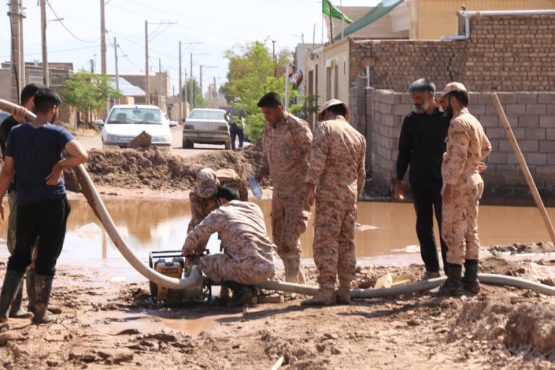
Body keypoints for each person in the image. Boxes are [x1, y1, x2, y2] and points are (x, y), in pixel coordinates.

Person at [0, 88, 89, 329]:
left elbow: (7, 171)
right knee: (46, 258)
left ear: (33, 106)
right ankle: (40, 312)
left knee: (20, 256)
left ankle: (2, 311)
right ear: (52, 110)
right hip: (52, 204)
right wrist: (60, 165)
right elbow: (82, 155)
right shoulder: (57, 132)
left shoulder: (16, 133)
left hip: (27, 204)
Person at [302, 99, 366, 306]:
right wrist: (356, 197)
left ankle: (326, 291)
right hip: (350, 197)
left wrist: (310, 187)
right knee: (347, 242)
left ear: (328, 113)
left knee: (325, 241)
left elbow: (317, 160)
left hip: (330, 196)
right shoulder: (358, 136)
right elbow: (361, 173)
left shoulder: (325, 128)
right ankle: (345, 290)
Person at [182, 187, 276, 307]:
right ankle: (251, 288)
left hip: (248, 269)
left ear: (222, 200)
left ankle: (241, 290)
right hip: (268, 267)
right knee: (239, 259)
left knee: (205, 262)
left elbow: (196, 235)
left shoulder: (221, 213)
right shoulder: (255, 208)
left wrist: (187, 252)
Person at [395, 79, 451, 279]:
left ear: (431, 95)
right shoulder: (411, 121)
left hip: (444, 183)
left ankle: (451, 270)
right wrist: (399, 179)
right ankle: (432, 269)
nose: (416, 103)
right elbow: (404, 152)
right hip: (419, 181)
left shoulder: (447, 120)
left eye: (419, 99)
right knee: (423, 226)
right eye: (414, 99)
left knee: (446, 226)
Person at [439, 82, 491, 296]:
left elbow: (458, 157)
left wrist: (449, 185)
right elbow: (486, 147)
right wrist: (474, 164)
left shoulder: (458, 123)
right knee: (471, 229)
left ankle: (454, 282)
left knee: (454, 230)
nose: (443, 107)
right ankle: (471, 279)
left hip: (460, 183)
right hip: (473, 180)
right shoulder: (474, 121)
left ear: (453, 101)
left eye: (445, 102)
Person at [255, 92, 312, 283]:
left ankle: (292, 283)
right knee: (279, 240)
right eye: (264, 113)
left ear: (279, 109)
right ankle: (299, 279)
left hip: (298, 192)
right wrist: (260, 174)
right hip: (279, 192)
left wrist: (313, 187)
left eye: (268, 113)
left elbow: (314, 155)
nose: (266, 117)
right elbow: (267, 155)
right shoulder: (269, 128)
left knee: (290, 238)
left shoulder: (296, 126)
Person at [0, 84, 41, 319]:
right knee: (19, 251)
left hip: (40, 197)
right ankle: (14, 307)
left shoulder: (40, 125)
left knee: (38, 252)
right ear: (31, 101)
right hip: (21, 195)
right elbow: (13, 166)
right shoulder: (10, 127)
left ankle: (37, 303)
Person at [187, 167, 249, 235]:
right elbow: (197, 220)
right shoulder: (195, 196)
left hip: (227, 199)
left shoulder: (230, 181)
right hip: (207, 205)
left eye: (210, 194)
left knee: (234, 225)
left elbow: (244, 197)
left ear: (217, 184)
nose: (208, 197)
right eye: (205, 195)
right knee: (196, 231)